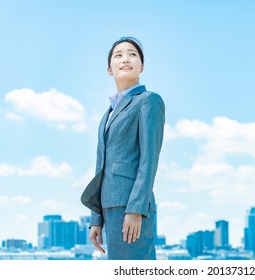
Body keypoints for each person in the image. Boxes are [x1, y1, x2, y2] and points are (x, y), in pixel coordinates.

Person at [84, 36, 165, 260]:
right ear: (110, 69)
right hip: (110, 207)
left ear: (142, 66)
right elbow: (101, 168)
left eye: (132, 54)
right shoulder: (107, 114)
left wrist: (136, 209)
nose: (125, 59)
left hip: (132, 206)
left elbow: (149, 160)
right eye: (118, 55)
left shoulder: (148, 101)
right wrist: (96, 218)